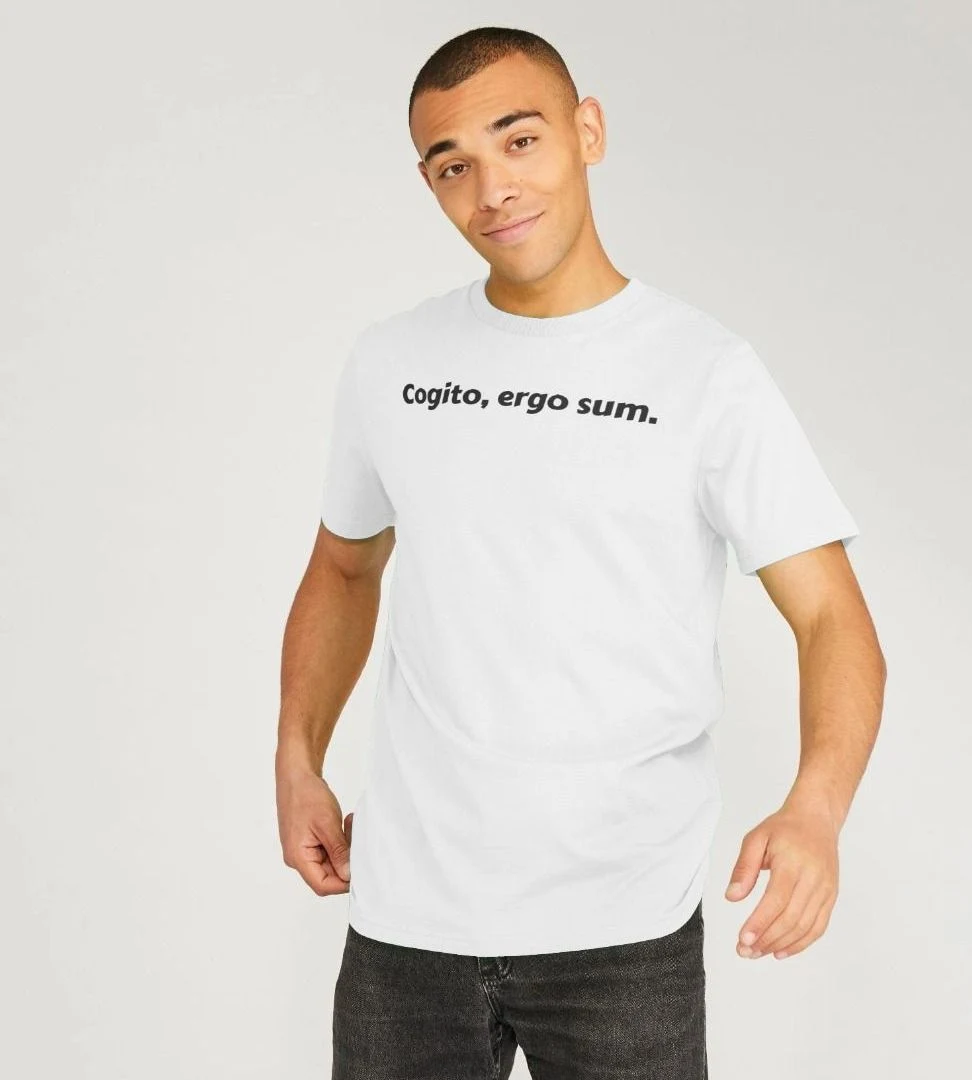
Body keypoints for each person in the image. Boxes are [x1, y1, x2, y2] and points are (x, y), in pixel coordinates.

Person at [275, 25, 887, 1080]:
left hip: (621, 932)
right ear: (428, 184)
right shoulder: (391, 363)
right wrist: (297, 758)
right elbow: (342, 567)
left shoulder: (705, 373)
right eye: (453, 165)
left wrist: (816, 809)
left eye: (519, 141)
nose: (493, 190)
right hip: (406, 927)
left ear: (587, 131)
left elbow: (832, 615)